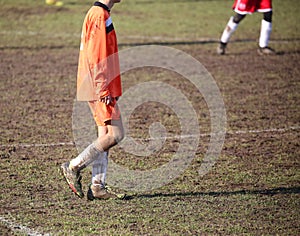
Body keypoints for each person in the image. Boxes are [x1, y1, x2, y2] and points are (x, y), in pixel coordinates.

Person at [61, 0, 124, 200]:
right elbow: (97, 55)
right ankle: (73, 166)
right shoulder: (99, 14)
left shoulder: (100, 13)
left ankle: (98, 186)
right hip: (100, 86)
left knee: (104, 134)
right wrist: (102, 86)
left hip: (99, 84)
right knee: (116, 134)